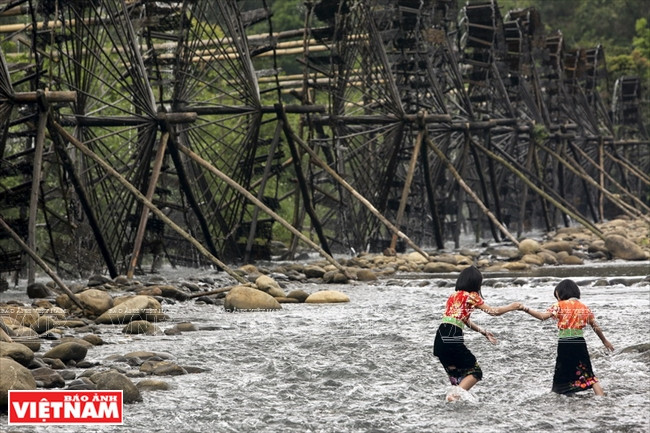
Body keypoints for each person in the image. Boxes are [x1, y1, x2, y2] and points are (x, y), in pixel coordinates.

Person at [433, 266, 521, 401]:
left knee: (457, 375)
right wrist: (512, 307)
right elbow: (493, 312)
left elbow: (464, 319)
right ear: (475, 283)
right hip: (453, 336)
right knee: (475, 371)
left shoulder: (453, 296)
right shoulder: (472, 296)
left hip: (440, 337)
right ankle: (453, 396)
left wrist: (483, 332)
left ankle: (454, 404)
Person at [520, 279, 614, 396]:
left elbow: (542, 316)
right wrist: (604, 341)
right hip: (580, 342)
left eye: (557, 296)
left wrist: (525, 309)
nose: (557, 299)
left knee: (562, 371)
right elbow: (595, 326)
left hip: (565, 343)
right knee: (587, 373)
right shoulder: (584, 307)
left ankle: (560, 394)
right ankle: (602, 398)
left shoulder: (559, 305)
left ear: (562, 293)